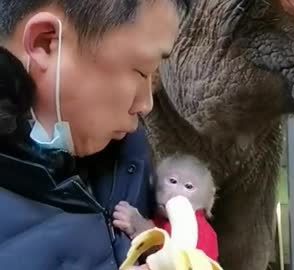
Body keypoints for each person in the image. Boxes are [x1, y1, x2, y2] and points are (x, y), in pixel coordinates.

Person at [0, 1, 182, 269]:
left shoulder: (126, 152)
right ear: (45, 43)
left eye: (152, 78)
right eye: (142, 71)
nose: (145, 104)